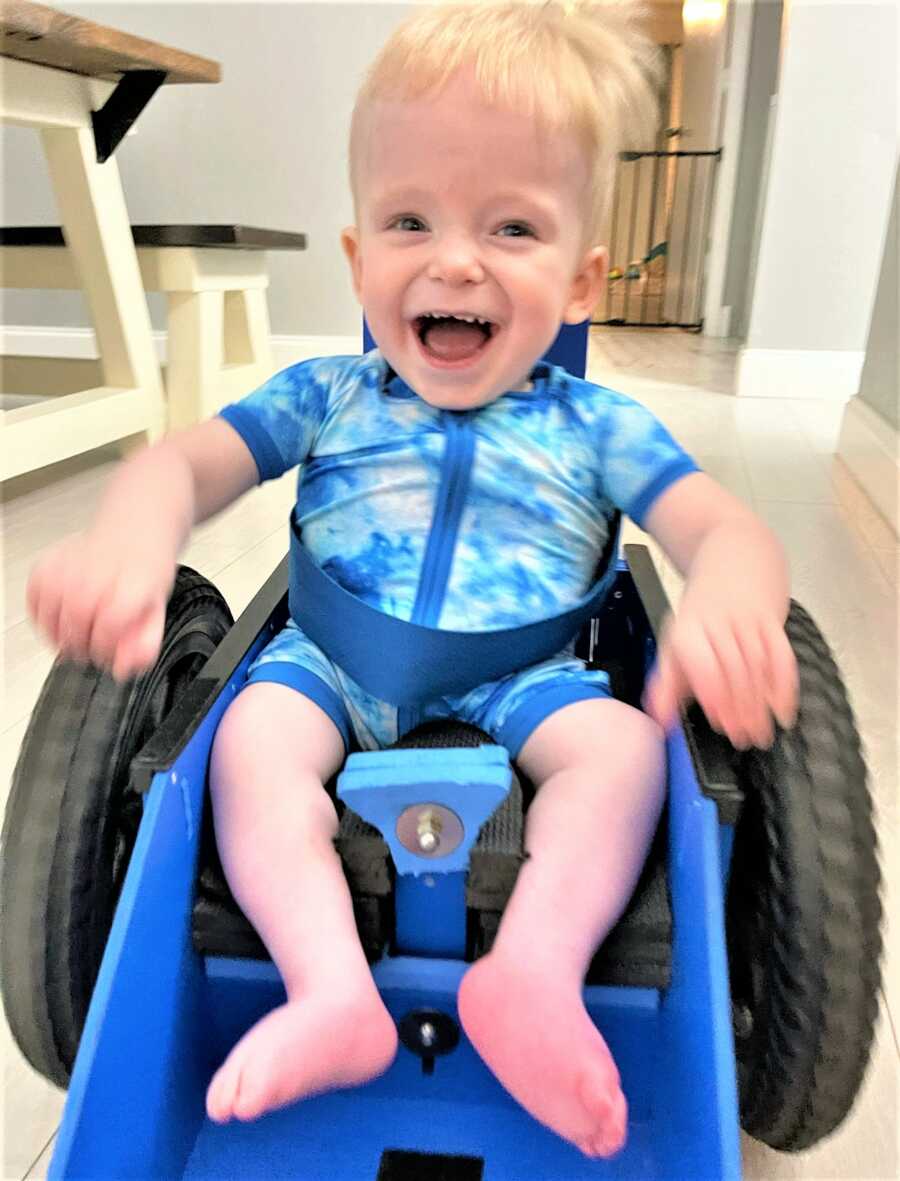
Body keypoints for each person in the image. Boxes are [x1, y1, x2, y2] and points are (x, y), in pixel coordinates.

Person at [26, 0, 798, 1159]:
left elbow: (723, 525)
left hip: (527, 678)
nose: (454, 258)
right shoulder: (328, 393)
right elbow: (184, 461)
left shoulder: (597, 424)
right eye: (409, 218)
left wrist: (734, 594)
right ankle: (327, 986)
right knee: (249, 746)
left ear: (583, 279)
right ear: (357, 258)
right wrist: (134, 535)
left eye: (511, 228)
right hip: (330, 660)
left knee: (626, 757)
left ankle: (534, 973)